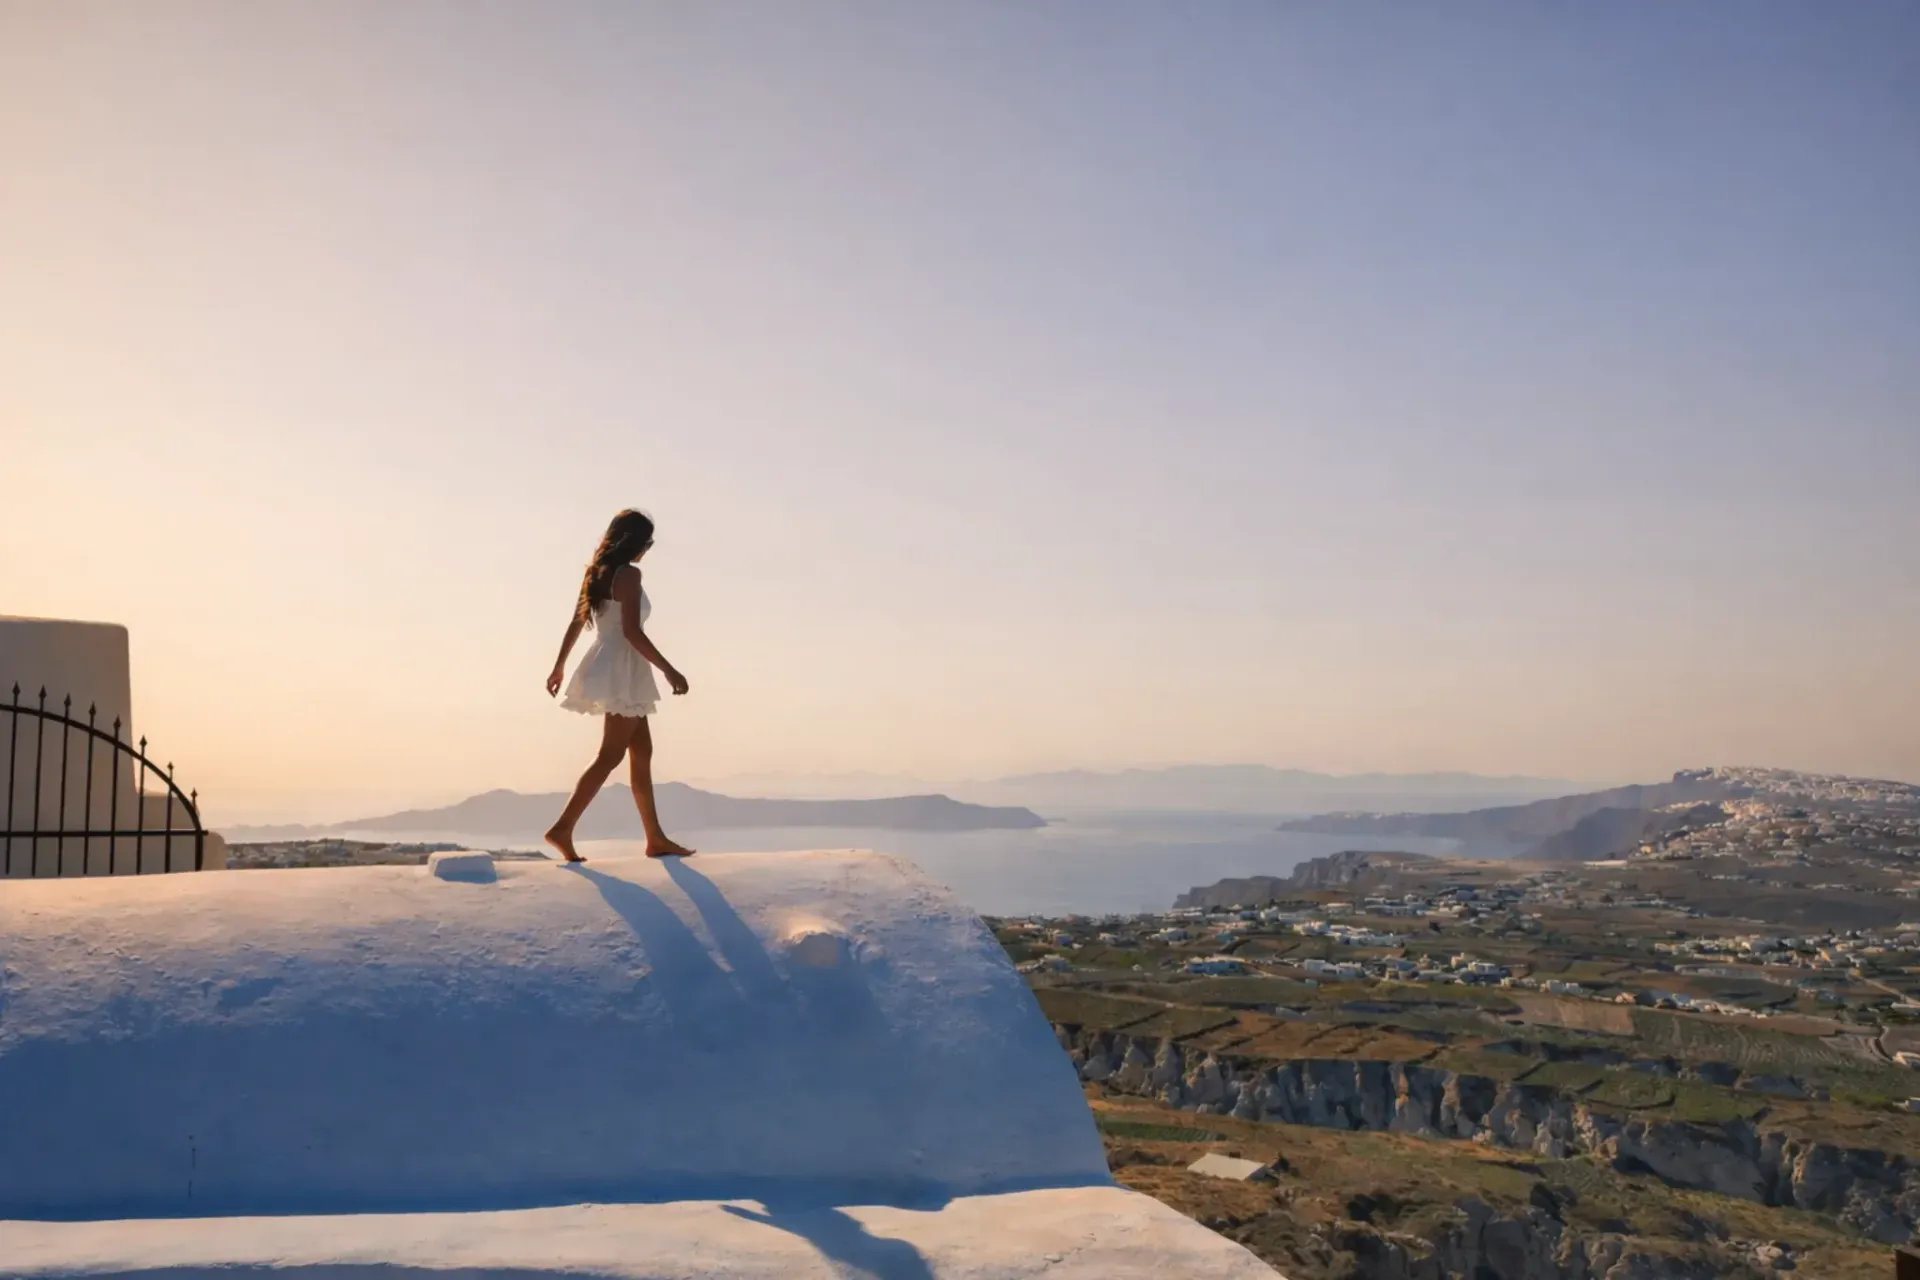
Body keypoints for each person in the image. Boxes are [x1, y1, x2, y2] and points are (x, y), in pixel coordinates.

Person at [543, 508, 694, 862]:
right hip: (622, 668)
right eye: (648, 543)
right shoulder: (628, 574)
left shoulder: (596, 573)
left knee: (641, 753)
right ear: (636, 542)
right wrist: (670, 670)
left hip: (613, 663)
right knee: (610, 755)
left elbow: (577, 622)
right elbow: (631, 631)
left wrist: (559, 666)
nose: (649, 550)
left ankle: (655, 837)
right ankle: (562, 828)